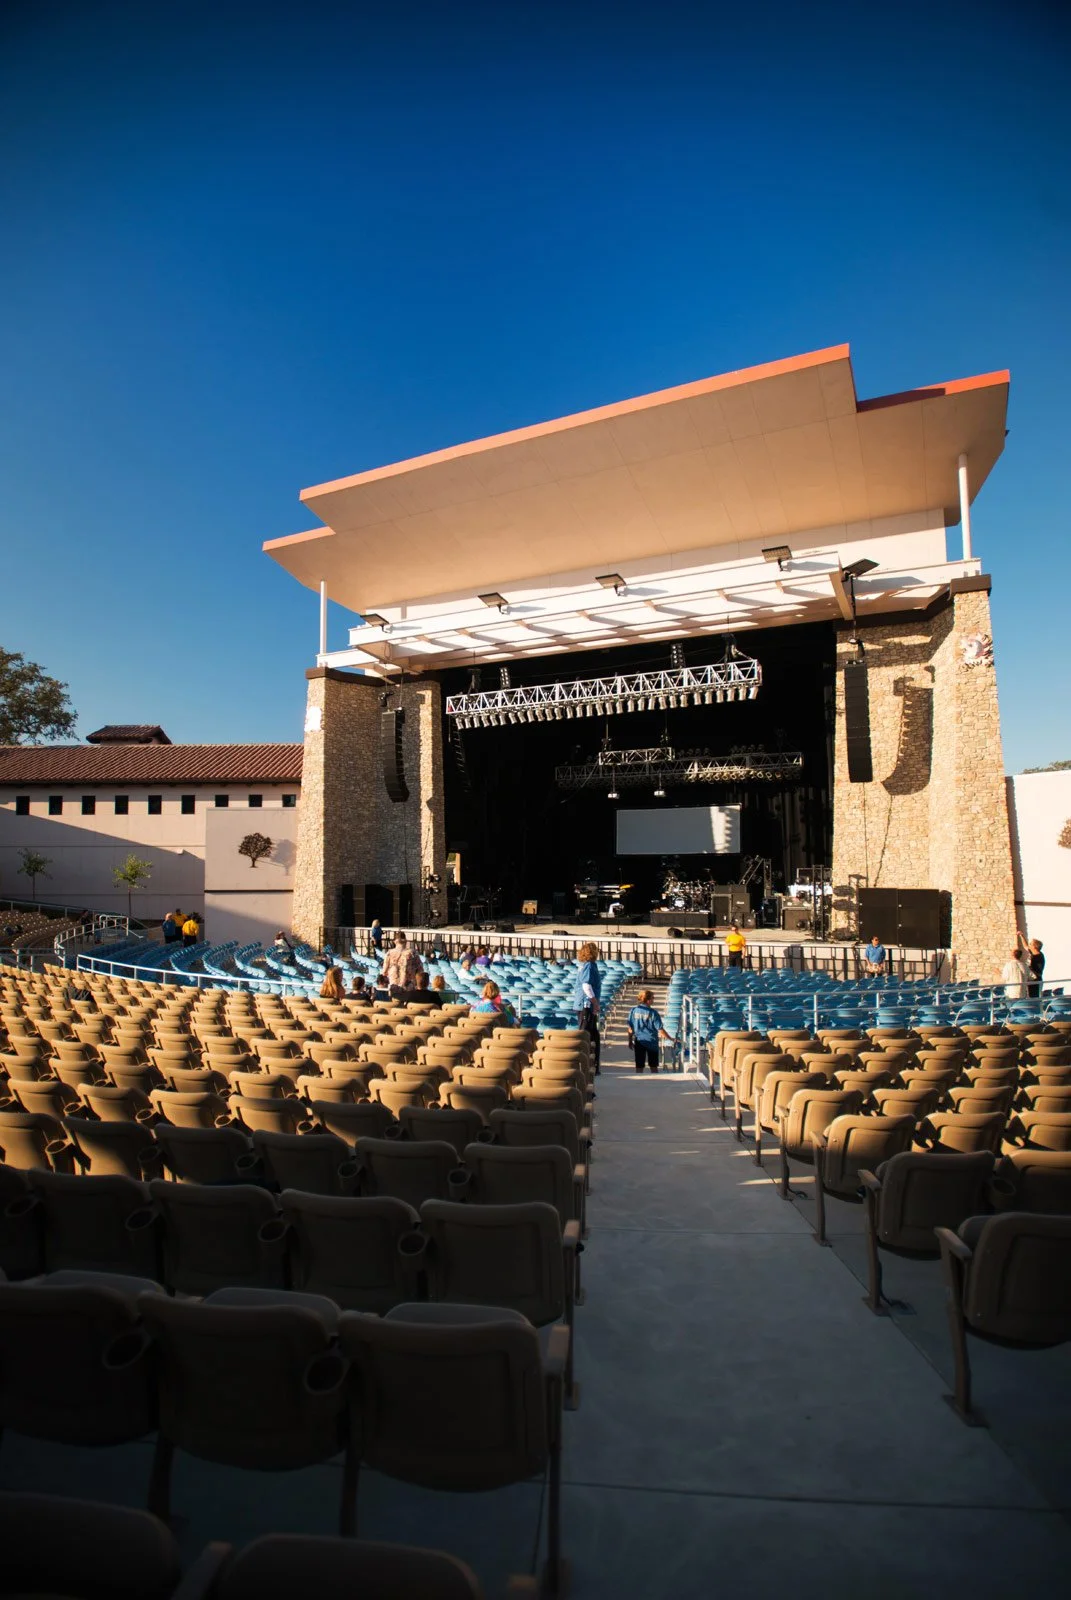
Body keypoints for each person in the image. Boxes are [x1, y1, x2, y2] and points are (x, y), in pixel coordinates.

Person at [572, 940, 602, 1074]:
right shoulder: (589, 966)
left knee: (593, 1035)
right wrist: (595, 1002)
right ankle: (584, 1065)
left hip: (586, 1005)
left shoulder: (588, 965)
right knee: (586, 1034)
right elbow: (586, 986)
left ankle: (593, 1065)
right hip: (586, 1005)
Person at [627, 989, 671, 1073]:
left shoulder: (633, 1011)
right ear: (648, 1000)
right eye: (652, 998)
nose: (653, 999)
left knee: (639, 1066)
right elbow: (660, 1029)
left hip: (639, 1041)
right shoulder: (653, 1013)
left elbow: (630, 1028)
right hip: (652, 1042)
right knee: (653, 1066)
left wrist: (629, 1041)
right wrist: (670, 1038)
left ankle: (639, 1084)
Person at [1017, 930, 1045, 998]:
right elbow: (1025, 946)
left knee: (1034, 997)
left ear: (1034, 947)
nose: (1029, 945)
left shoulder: (1038, 957)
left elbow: (1036, 971)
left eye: (1030, 944)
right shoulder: (1032, 953)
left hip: (1035, 980)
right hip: (1030, 980)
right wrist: (1021, 935)